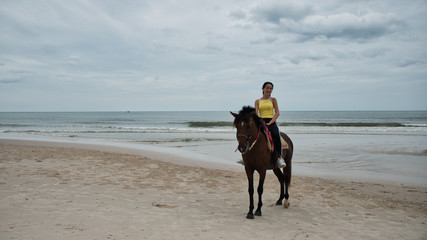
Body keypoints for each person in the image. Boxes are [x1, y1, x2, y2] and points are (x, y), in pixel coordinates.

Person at [255, 82, 286, 168]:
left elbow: (277, 113)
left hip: (271, 121)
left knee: (276, 135)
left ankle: (280, 157)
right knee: (251, 134)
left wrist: (270, 122)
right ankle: (246, 156)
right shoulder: (257, 101)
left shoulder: (273, 100)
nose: (269, 89)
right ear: (263, 89)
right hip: (261, 121)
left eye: (271, 88)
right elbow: (256, 113)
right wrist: (258, 121)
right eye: (267, 88)